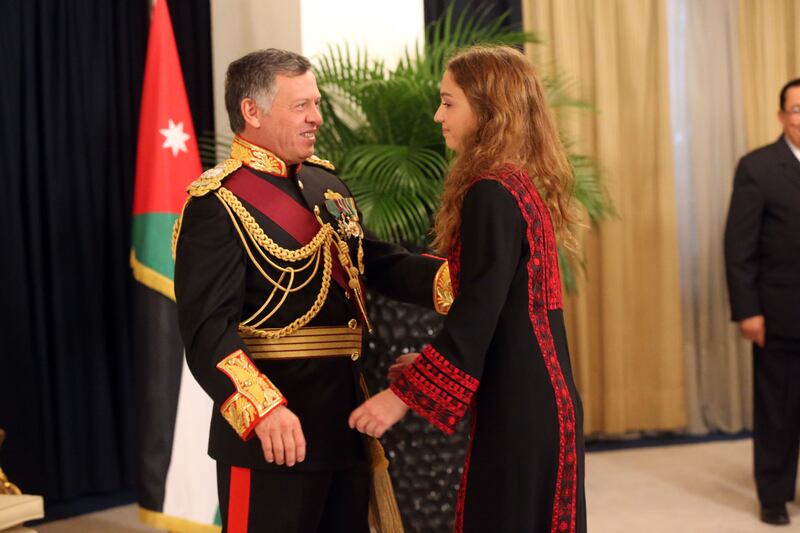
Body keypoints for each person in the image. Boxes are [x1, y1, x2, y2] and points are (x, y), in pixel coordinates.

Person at [173, 48, 450, 533]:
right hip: (272, 437)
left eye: (316, 103)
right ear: (251, 112)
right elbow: (206, 333)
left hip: (344, 426)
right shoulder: (217, 203)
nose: (317, 117)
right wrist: (264, 410)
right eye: (301, 105)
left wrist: (462, 282)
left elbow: (375, 261)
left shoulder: (326, 184)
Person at [349, 45, 586, 533]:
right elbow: (505, 309)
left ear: (489, 109)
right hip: (533, 393)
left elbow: (478, 312)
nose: (438, 115)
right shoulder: (517, 184)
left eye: (448, 101)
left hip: (521, 405)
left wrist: (402, 397)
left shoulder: (490, 192)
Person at [724, 78, 800, 526]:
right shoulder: (758, 167)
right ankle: (773, 494)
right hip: (781, 313)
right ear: (781, 116)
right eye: (797, 109)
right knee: (779, 409)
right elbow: (739, 247)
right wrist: (748, 310)